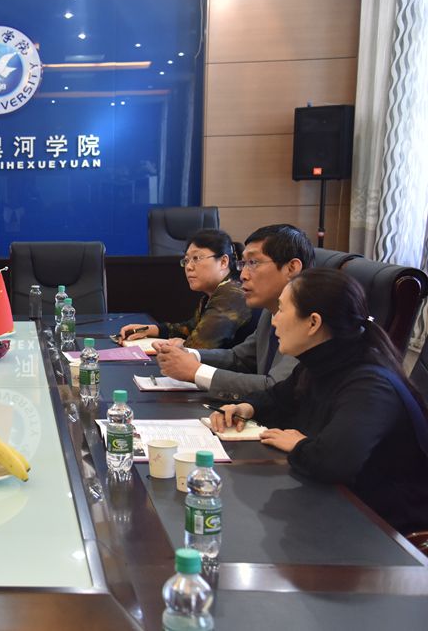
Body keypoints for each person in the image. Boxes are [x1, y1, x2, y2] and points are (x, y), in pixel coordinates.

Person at [210, 269, 428, 533]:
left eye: (281, 310)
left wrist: (299, 444)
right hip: (336, 504)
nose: (274, 321)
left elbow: (334, 462)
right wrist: (246, 407)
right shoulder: (321, 362)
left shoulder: (369, 384)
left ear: (313, 323)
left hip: (384, 528)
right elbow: (278, 397)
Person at [153, 224, 314, 401]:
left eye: (253, 263)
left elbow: (275, 388)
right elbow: (239, 358)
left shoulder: (310, 321)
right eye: (243, 264)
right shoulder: (271, 312)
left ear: (291, 268)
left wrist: (196, 371)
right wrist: (191, 355)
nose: (243, 275)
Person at [119, 229, 250, 349]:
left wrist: (182, 344)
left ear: (223, 262)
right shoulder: (215, 293)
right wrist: (150, 329)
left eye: (196, 258)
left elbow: (199, 346)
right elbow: (190, 328)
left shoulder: (232, 294)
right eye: (186, 260)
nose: (188, 267)